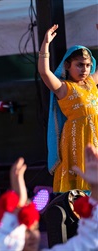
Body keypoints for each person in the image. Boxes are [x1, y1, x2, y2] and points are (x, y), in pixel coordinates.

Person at [0, 144, 98, 251]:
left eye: (34, 228)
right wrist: (16, 207)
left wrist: (95, 191)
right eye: (25, 230)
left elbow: (87, 243)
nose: (32, 236)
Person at [38, 24, 98, 193]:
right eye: (79, 65)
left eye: (87, 65)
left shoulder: (91, 83)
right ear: (66, 66)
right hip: (76, 140)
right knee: (80, 184)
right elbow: (44, 72)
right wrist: (46, 44)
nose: (84, 69)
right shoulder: (64, 88)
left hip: (96, 138)